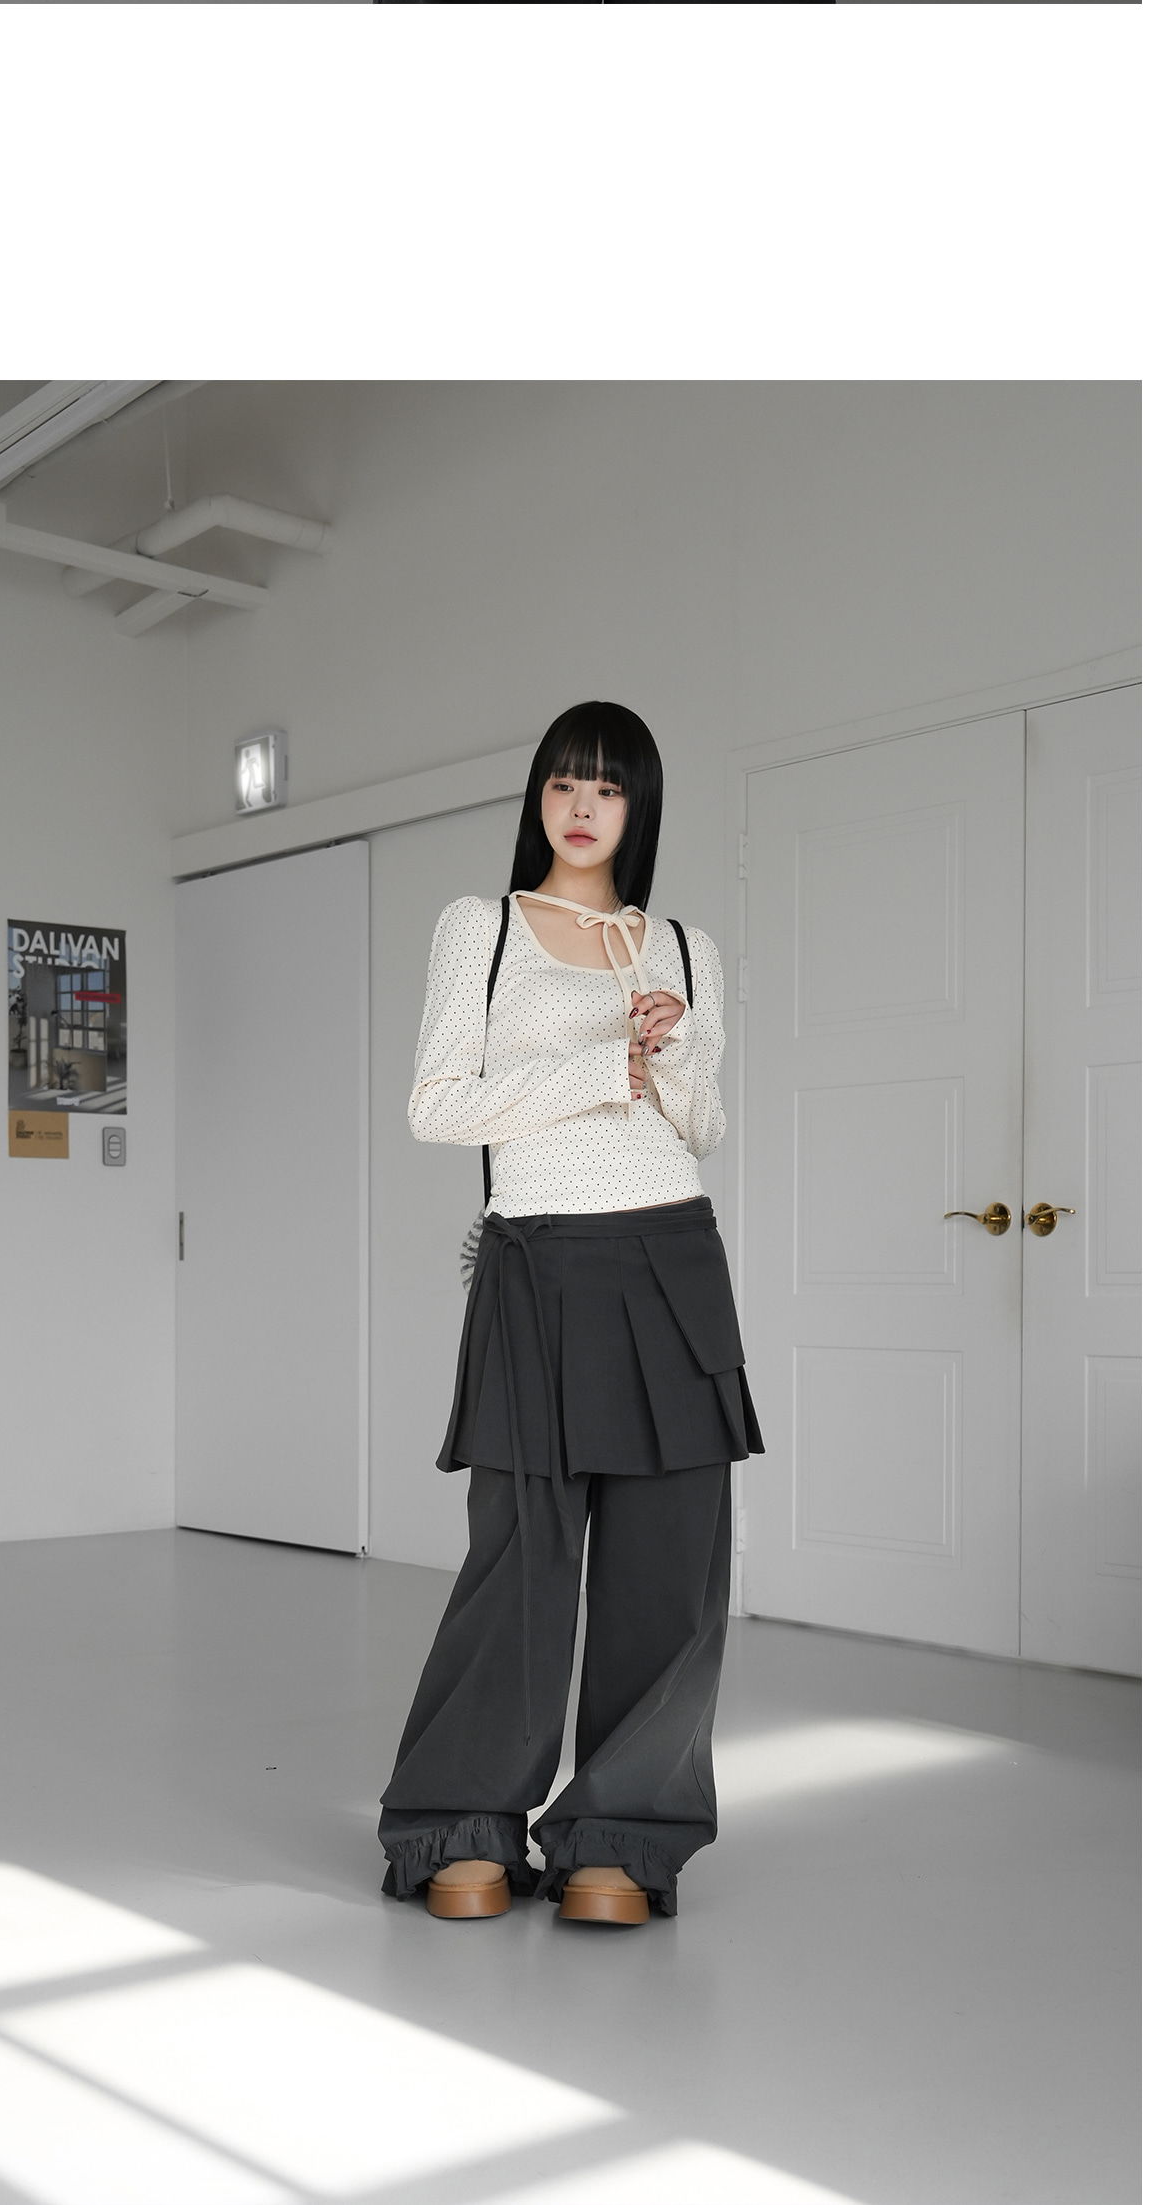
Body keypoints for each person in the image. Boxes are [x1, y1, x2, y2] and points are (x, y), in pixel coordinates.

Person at [378, 699, 762, 1924]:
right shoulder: (481, 928)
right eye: (563, 783)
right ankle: (461, 1821)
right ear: (538, 798)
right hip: (538, 1258)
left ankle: (622, 1835)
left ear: (640, 807)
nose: (582, 807)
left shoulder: (687, 948)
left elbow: (702, 1125)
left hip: (672, 1258)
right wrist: (604, 1065)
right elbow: (439, 1106)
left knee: (670, 1571)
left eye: (607, 787)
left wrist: (673, 1046)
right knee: (521, 1564)